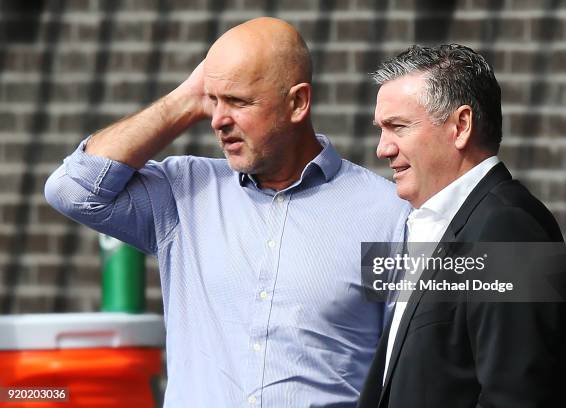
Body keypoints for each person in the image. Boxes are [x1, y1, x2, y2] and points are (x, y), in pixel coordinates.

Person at [44, 17, 409, 407]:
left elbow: (426, 359)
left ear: (298, 102)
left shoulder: (389, 214)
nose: (218, 120)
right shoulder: (183, 193)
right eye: (213, 100)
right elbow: (71, 189)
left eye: (238, 101)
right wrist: (185, 99)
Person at [358, 44, 566, 408]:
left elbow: (518, 397)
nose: (382, 148)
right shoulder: (443, 225)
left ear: (460, 126)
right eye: (381, 129)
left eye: (397, 127)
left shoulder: (508, 229)